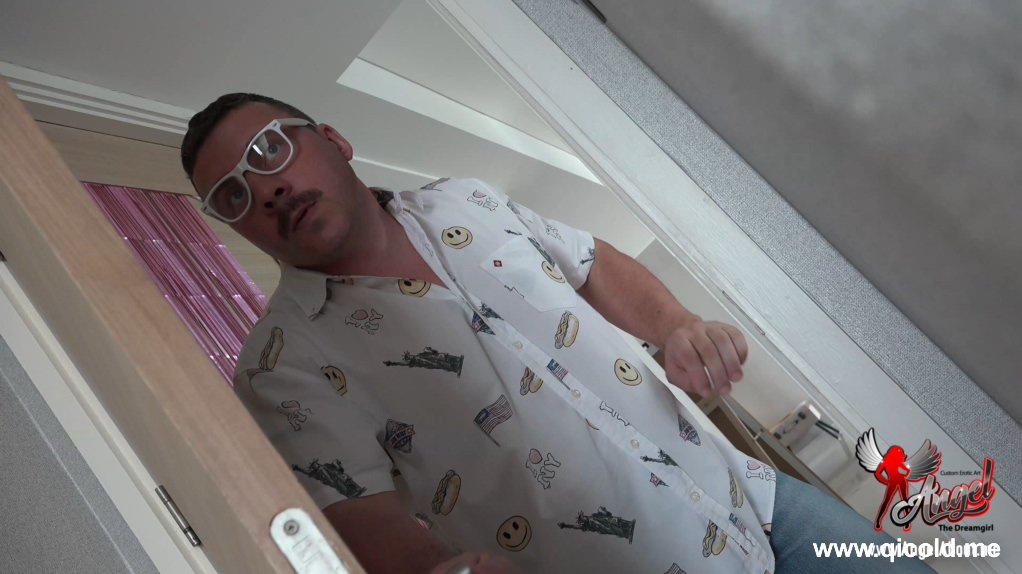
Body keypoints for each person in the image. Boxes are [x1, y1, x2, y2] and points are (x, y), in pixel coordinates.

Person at [181, 93, 934, 574]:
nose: (266, 189)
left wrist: (676, 325)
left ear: (333, 139)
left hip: (755, 499)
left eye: (269, 150)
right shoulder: (280, 368)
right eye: (233, 196)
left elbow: (591, 263)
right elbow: (364, 522)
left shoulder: (467, 200)